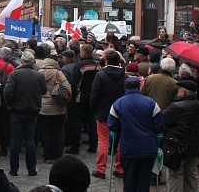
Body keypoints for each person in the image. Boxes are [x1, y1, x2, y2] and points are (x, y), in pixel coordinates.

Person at [108, 76, 164, 192]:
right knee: (144, 180)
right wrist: (159, 145)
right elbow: (159, 127)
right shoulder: (151, 103)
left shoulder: (117, 104)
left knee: (128, 180)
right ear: (140, 86)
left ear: (125, 87)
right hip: (148, 148)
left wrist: (112, 148)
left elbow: (113, 129)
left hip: (129, 149)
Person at [3, 50, 46, 177]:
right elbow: (43, 91)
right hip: (32, 110)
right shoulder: (39, 75)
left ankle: (14, 169)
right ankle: (31, 169)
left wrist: (10, 104)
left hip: (16, 110)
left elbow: (7, 92)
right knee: (30, 140)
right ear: (32, 61)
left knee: (15, 140)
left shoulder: (14, 75)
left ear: (22, 61)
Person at [89, 49, 126, 179]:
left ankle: (101, 169)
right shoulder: (125, 76)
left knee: (103, 140)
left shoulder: (101, 75)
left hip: (103, 112)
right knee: (120, 141)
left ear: (106, 61)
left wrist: (94, 109)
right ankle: (119, 168)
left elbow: (94, 95)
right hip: (120, 112)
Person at [163, 80, 199, 192]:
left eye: (179, 89)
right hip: (194, 147)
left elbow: (163, 120)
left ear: (184, 92)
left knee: (175, 175)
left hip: (177, 147)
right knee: (191, 175)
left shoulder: (177, 106)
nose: (178, 91)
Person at [38, 54, 72, 164]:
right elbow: (68, 88)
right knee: (58, 132)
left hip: (43, 109)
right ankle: (57, 155)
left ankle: (48, 155)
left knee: (46, 132)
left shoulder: (39, 74)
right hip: (58, 108)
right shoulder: (59, 73)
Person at [67, 43, 100, 155]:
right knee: (91, 121)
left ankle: (75, 147)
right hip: (93, 96)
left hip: (80, 97)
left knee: (76, 122)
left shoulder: (81, 65)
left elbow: (73, 81)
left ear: (84, 52)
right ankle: (93, 145)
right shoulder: (97, 65)